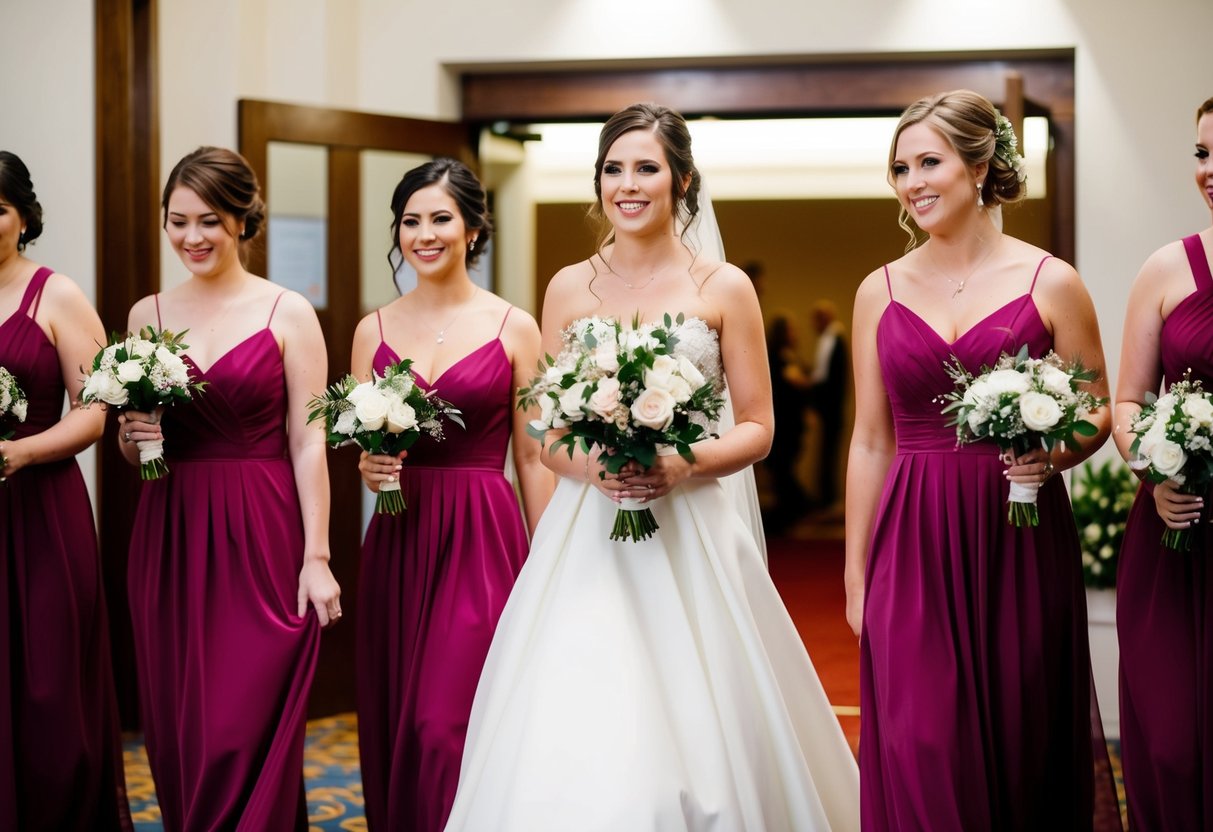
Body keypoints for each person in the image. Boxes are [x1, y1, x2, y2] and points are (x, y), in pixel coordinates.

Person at [445, 102, 859, 831]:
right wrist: (593, 469)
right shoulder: (568, 287)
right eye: (613, 169)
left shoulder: (723, 286)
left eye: (646, 168)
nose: (627, 185)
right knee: (580, 705)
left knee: (702, 716)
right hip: (587, 532)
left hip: (692, 524)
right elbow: (548, 433)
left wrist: (677, 463)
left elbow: (758, 428)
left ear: (682, 180)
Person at [846, 90, 1120, 829]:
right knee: (922, 739)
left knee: (1020, 739)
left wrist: (1052, 454)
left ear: (979, 165)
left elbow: (1097, 407)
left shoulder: (1050, 281)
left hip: (1017, 536)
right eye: (899, 168)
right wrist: (855, 573)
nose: (911, 183)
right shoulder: (878, 291)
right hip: (910, 540)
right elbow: (870, 439)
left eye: (928, 162)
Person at [119, 146, 340, 831]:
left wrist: (317, 555)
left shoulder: (287, 311)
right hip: (171, 530)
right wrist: (135, 434)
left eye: (209, 220)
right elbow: (134, 446)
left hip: (260, 529)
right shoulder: (146, 314)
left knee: (241, 721)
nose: (192, 237)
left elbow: (308, 440)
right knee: (181, 724)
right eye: (178, 221)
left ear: (244, 221)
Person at [352, 158, 553, 831]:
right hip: (398, 534)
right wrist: (370, 469)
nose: (424, 234)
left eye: (440, 218)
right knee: (397, 719)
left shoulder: (513, 326)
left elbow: (533, 454)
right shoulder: (372, 330)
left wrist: (549, 559)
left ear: (472, 230)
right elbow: (364, 443)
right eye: (410, 221)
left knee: (447, 723)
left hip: (481, 536)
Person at [0, 152, 131, 830]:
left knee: (49, 688)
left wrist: (17, 452)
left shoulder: (57, 296)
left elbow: (94, 409)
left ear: (24, 218)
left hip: (41, 512)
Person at [1113, 95, 1213, 830]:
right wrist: (1152, 474)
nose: (1208, 171)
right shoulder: (1166, 269)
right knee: (1173, 742)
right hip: (1175, 533)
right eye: (1203, 153)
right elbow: (1126, 402)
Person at [765, 312, 811, 532]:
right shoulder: (774, 357)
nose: (796, 334)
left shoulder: (790, 356)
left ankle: (791, 511)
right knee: (781, 468)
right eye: (792, 329)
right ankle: (796, 509)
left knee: (785, 467)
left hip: (792, 423)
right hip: (782, 423)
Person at [805, 299, 847, 511]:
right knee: (826, 453)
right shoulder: (832, 338)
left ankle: (827, 500)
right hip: (831, 407)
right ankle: (825, 498)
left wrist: (813, 402)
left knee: (828, 454)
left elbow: (822, 376)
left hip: (830, 407)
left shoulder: (831, 339)